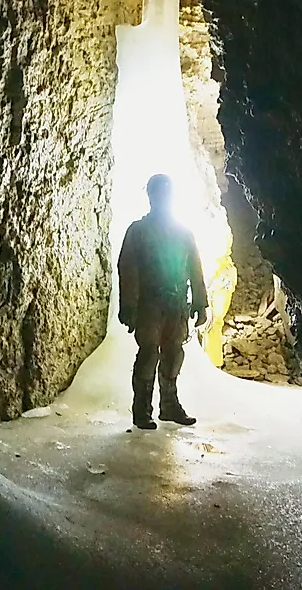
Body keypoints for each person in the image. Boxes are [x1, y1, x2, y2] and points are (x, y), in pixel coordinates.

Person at [117, 174, 208, 430]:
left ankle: (169, 405)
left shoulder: (183, 232)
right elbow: (128, 269)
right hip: (149, 304)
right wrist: (129, 306)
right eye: (159, 193)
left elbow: (194, 267)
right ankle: (142, 409)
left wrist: (200, 302)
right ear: (151, 196)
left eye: (167, 193)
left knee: (173, 352)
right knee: (148, 353)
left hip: (176, 303)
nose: (163, 198)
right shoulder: (138, 231)